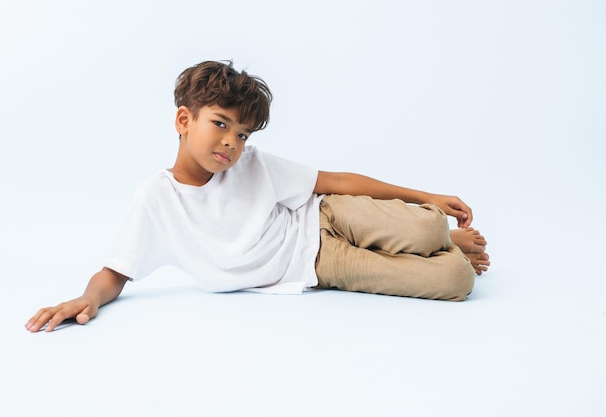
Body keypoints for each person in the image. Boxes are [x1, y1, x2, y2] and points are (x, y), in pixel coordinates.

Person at [25, 60, 490, 333]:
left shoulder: (252, 163)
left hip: (327, 216)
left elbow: (337, 182)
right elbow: (115, 271)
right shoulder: (157, 199)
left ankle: (439, 236)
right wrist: (86, 299)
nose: (232, 142)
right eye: (221, 124)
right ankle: (447, 249)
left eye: (243, 133)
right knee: (456, 282)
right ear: (184, 121)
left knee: (427, 222)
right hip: (317, 266)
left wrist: (424, 195)